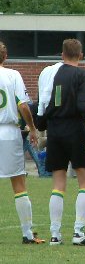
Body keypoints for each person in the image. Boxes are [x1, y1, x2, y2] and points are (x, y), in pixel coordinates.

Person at [37, 39, 85, 246]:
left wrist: (43, 126)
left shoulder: (52, 73)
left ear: (62, 54)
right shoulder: (83, 75)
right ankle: (79, 232)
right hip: (76, 129)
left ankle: (55, 234)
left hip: (55, 130)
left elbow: (43, 105)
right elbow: (83, 106)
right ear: (80, 56)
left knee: (58, 183)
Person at [0, 41, 45, 244]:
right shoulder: (13, 75)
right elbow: (24, 106)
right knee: (18, 183)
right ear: (5, 56)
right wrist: (32, 128)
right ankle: (27, 233)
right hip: (8, 131)